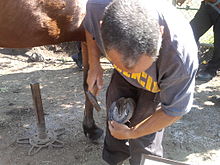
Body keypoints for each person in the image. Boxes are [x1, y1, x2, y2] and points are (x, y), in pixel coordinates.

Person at [84, 0, 198, 164]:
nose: (134, 75)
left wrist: (133, 133)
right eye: (120, 64)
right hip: (121, 78)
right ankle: (114, 158)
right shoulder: (98, 7)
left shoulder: (180, 60)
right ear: (103, 26)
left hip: (157, 85)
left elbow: (173, 111)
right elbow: (89, 27)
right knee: (114, 119)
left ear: (160, 32)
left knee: (145, 140)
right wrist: (94, 65)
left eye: (143, 67)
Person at [177, 0, 220, 82]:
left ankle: (211, 70)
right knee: (189, 33)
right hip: (209, 5)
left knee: (219, 43)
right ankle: (185, 64)